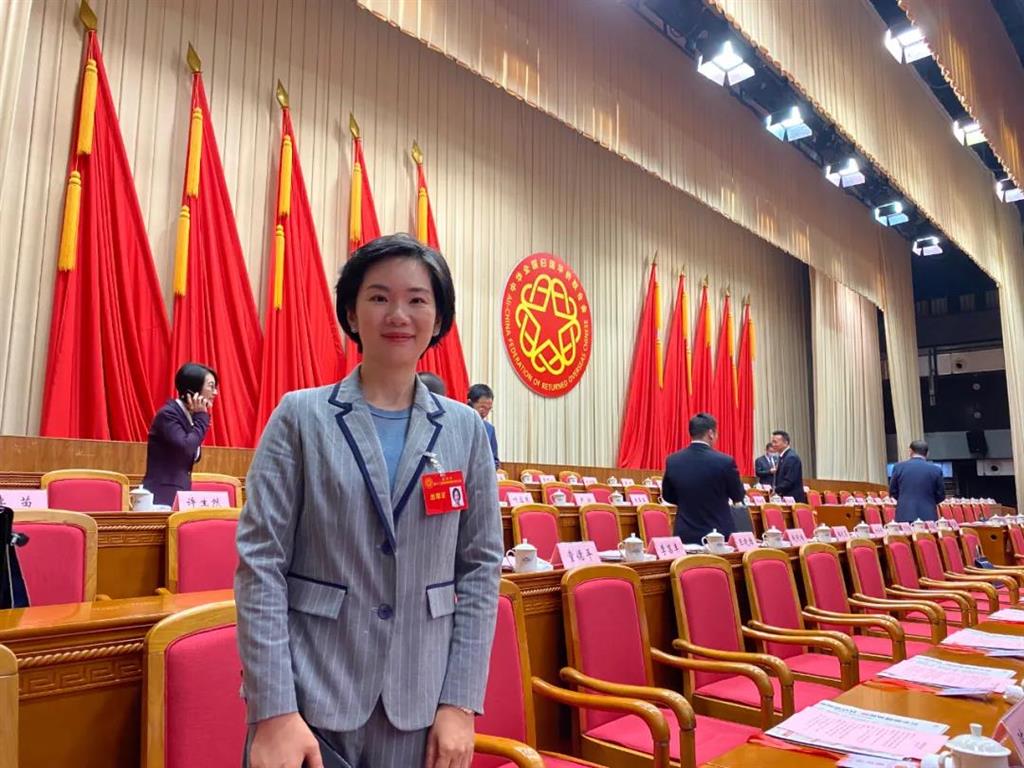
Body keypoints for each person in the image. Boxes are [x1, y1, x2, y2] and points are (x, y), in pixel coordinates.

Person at [235, 233, 503, 768]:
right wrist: (274, 709)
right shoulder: (300, 417)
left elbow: (480, 568)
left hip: (421, 705)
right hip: (310, 699)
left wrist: (460, 702)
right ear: (352, 314)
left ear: (438, 318)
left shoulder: (465, 430)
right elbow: (261, 562)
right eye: (379, 297)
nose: (398, 314)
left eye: (417, 299)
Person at [662, 413, 746, 544]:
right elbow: (738, 495)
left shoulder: (673, 460)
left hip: (685, 534)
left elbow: (667, 496)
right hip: (718, 535)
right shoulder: (725, 461)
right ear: (711, 433)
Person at [141, 362, 217, 506]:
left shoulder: (190, 415)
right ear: (193, 388)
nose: (215, 393)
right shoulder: (168, 414)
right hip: (162, 495)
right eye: (211, 386)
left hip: (181, 492)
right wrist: (202, 419)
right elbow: (186, 447)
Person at [889, 440, 945, 523]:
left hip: (904, 514)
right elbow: (941, 495)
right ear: (928, 453)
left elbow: (893, 491)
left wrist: (904, 500)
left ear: (910, 451)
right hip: (928, 515)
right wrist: (930, 501)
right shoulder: (936, 470)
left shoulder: (898, 467)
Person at [770, 430, 807, 503]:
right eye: (772, 442)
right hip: (785, 497)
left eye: (775, 442)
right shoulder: (782, 457)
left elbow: (789, 480)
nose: (773, 445)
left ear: (785, 443)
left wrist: (775, 491)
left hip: (792, 499)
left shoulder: (791, 457)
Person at [468, 383, 500, 468]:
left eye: (488, 409)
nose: (485, 413)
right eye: (482, 408)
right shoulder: (458, 424)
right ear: (470, 403)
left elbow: (495, 460)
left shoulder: (489, 429)